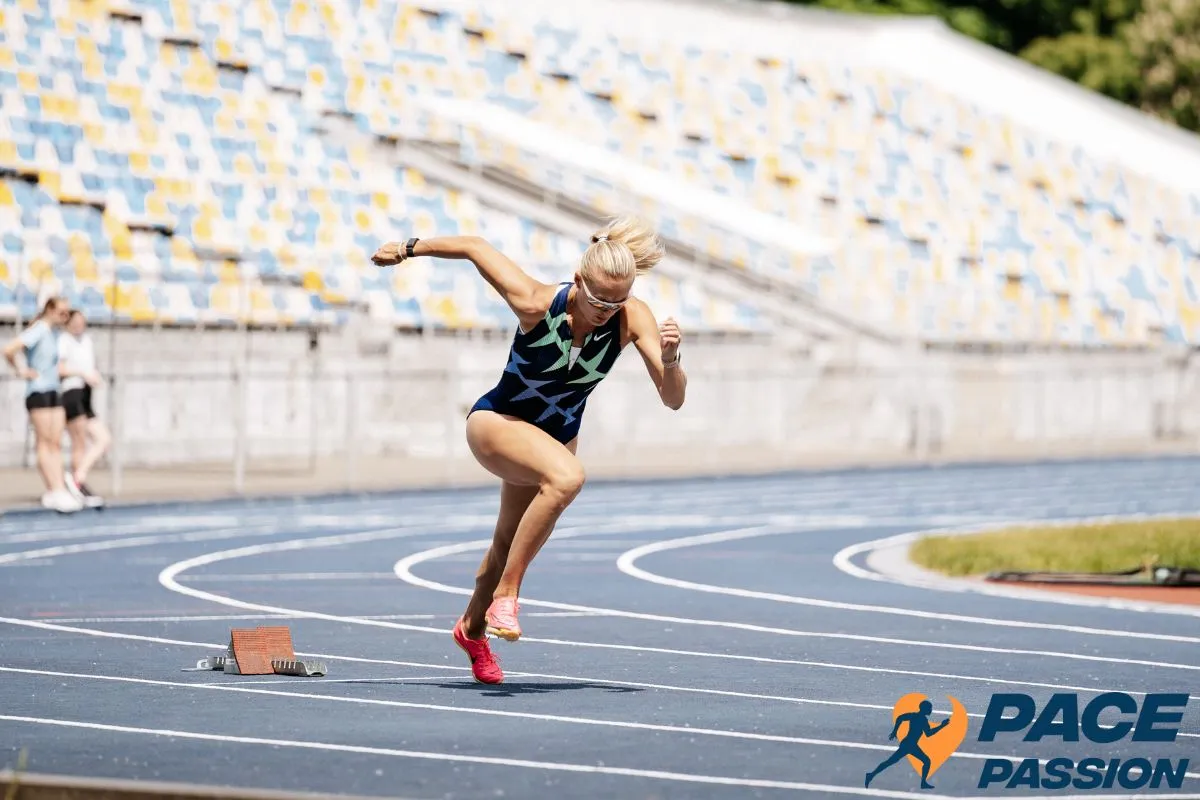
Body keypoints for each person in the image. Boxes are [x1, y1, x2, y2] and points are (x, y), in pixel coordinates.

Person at [372, 216, 687, 684]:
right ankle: (508, 595)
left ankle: (472, 630)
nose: (606, 310)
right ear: (579, 281)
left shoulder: (632, 316)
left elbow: (673, 398)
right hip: (497, 424)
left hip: (552, 437)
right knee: (568, 477)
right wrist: (407, 247)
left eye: (616, 301)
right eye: (598, 299)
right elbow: (476, 246)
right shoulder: (537, 302)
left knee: (504, 544)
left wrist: (671, 359)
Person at [3, 296, 83, 513]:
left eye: (67, 313)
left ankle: (58, 487)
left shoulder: (55, 334)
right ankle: (54, 488)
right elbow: (10, 349)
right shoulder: (39, 329)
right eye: (61, 312)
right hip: (38, 390)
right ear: (49, 309)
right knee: (45, 441)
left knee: (56, 442)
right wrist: (21, 370)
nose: (64, 317)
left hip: (53, 389)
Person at [58, 310, 109, 508]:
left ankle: (78, 477)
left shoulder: (86, 341)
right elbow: (60, 369)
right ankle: (76, 483)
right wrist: (82, 373)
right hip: (72, 392)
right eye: (76, 322)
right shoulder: (64, 340)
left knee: (103, 439)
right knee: (79, 442)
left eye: (83, 322)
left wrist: (93, 376)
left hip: (86, 394)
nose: (80, 325)